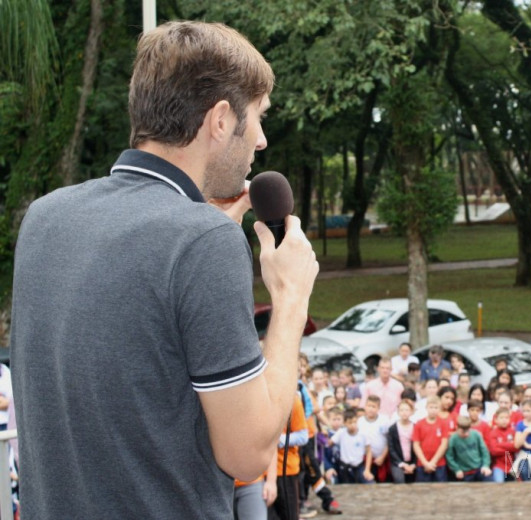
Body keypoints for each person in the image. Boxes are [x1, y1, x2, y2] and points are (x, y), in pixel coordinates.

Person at [9, 21, 320, 519]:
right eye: (258, 117)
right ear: (221, 120)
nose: (260, 140)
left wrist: (198, 236)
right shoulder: (202, 241)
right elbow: (249, 452)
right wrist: (290, 299)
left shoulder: (46, 217)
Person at [272, 394, 312, 520]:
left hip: (285, 469)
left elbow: (302, 436)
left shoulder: (292, 400)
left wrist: (275, 440)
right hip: (257, 475)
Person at [445, 416, 493, 481]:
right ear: (457, 428)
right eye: (463, 432)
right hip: (464, 472)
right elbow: (449, 456)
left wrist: (486, 465)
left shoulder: (476, 434)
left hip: (479, 469)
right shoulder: (453, 439)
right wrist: (456, 470)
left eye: (468, 431)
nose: (466, 434)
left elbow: (484, 451)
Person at [412, 400, 450, 482]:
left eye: (436, 408)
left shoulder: (443, 423)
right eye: (431, 407)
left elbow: (444, 444)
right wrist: (425, 463)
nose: (433, 410)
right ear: (426, 408)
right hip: (422, 464)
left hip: (439, 464)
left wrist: (433, 462)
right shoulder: (419, 424)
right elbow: (416, 445)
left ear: (439, 409)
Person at [358, 396, 389, 483]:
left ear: (378, 408)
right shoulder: (359, 422)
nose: (371, 409)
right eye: (369, 406)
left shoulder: (384, 420)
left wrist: (383, 456)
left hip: (381, 458)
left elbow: (389, 441)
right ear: (365, 406)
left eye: (374, 406)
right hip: (365, 459)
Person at [387, 400, 417, 484]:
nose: (404, 413)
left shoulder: (415, 427)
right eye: (402, 410)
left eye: (407, 410)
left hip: (413, 462)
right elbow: (391, 448)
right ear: (398, 412)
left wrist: (413, 464)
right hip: (398, 462)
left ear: (411, 412)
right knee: (399, 480)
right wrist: (402, 464)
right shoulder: (392, 429)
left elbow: (418, 446)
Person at [485, 408, 519, 483]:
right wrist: (509, 446)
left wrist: (500, 444)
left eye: (506, 418)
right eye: (501, 418)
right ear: (496, 420)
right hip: (499, 466)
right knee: (498, 484)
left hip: (512, 466)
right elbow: (494, 451)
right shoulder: (493, 433)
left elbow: (516, 447)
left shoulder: (513, 432)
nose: (504, 420)